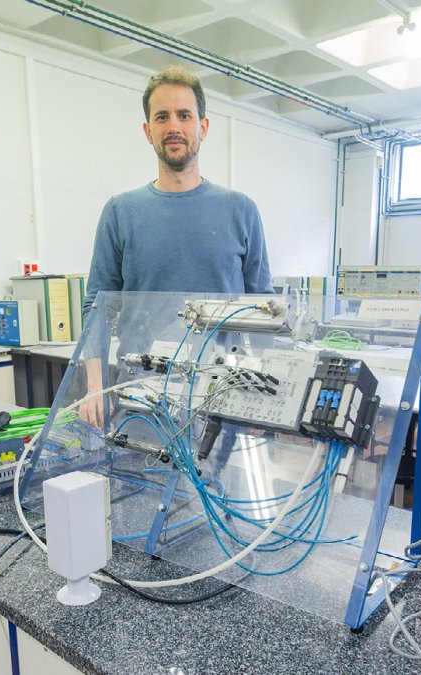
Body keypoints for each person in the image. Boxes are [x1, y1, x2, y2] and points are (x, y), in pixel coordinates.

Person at [79, 66, 273, 425]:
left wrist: (263, 392)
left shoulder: (240, 209)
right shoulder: (120, 211)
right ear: (147, 131)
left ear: (203, 127)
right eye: (162, 117)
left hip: (221, 397)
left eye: (184, 115)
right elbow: (97, 307)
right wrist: (96, 387)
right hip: (142, 396)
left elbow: (263, 308)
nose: (174, 127)